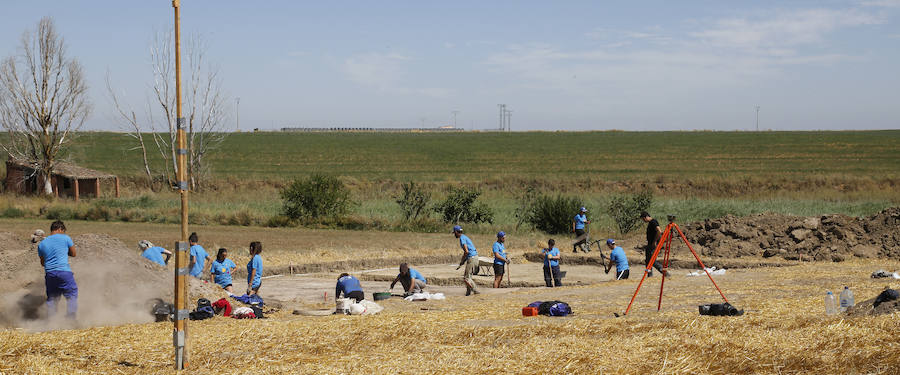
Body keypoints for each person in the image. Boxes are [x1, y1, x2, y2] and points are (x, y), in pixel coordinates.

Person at [36, 220, 78, 319]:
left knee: (52, 298)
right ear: (60, 229)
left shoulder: (42, 244)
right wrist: (63, 250)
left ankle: (52, 321)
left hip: (50, 273)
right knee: (71, 295)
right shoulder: (66, 238)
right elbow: (74, 254)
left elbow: (43, 263)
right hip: (64, 271)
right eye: (63, 231)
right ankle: (70, 319)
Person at [452, 225, 480, 296]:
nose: (454, 234)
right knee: (468, 277)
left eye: (454, 233)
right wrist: (463, 261)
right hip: (475, 257)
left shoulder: (462, 238)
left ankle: (476, 291)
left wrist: (462, 260)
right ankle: (468, 293)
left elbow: (466, 251)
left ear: (456, 232)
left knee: (466, 278)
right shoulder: (464, 237)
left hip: (472, 257)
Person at [640, 211, 666, 277]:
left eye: (643, 219)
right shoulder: (651, 223)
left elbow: (659, 231)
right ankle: (649, 275)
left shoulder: (653, 222)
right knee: (648, 261)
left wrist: (654, 241)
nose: (643, 221)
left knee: (652, 261)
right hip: (650, 244)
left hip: (653, 245)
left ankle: (665, 273)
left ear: (646, 217)